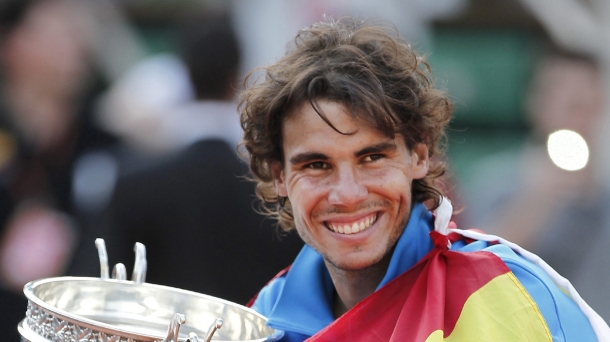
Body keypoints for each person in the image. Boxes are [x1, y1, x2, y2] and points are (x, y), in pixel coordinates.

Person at [238, 17, 609, 341]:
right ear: (280, 176)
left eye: (372, 158)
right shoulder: (258, 324)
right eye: (317, 166)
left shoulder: (514, 293)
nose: (348, 194)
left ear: (419, 156)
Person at [69, 9, 303, 305]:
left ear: (185, 71)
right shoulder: (277, 192)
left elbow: (96, 287)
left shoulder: (133, 186)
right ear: (238, 75)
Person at [462, 50, 610, 321]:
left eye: (585, 103)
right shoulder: (494, 182)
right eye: (567, 102)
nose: (577, 115)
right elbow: (476, 269)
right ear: (536, 102)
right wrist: (541, 198)